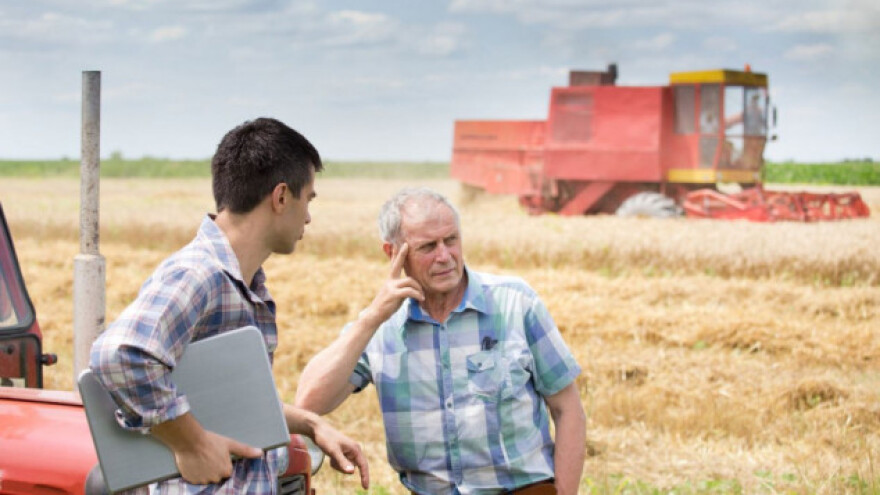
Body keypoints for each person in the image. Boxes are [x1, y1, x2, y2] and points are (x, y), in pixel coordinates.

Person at [89, 117, 369, 493]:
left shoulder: (243, 282)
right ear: (282, 197)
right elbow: (119, 354)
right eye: (309, 199)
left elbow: (224, 404)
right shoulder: (199, 274)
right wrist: (192, 443)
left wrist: (311, 424)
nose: (308, 217)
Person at [295, 187, 586, 495]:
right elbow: (309, 402)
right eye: (428, 247)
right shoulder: (382, 328)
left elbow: (568, 409)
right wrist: (370, 319)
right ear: (393, 253)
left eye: (451, 240)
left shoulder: (516, 303)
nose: (444, 256)